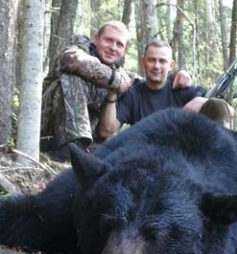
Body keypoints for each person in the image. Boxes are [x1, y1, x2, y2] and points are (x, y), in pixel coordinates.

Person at [40, 22, 191, 160]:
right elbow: (71, 60)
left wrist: (178, 73)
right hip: (48, 130)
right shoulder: (78, 48)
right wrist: (115, 80)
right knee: (72, 77)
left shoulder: (122, 74)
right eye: (109, 40)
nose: (113, 47)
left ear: (124, 50)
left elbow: (150, 81)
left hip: (91, 144)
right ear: (96, 38)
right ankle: (71, 151)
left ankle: (83, 152)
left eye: (119, 44)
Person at [98, 39, 233, 140]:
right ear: (143, 62)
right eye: (152, 60)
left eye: (162, 61)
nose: (156, 66)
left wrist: (202, 100)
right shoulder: (134, 94)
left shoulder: (183, 89)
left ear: (171, 65)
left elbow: (228, 111)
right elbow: (106, 131)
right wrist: (112, 93)